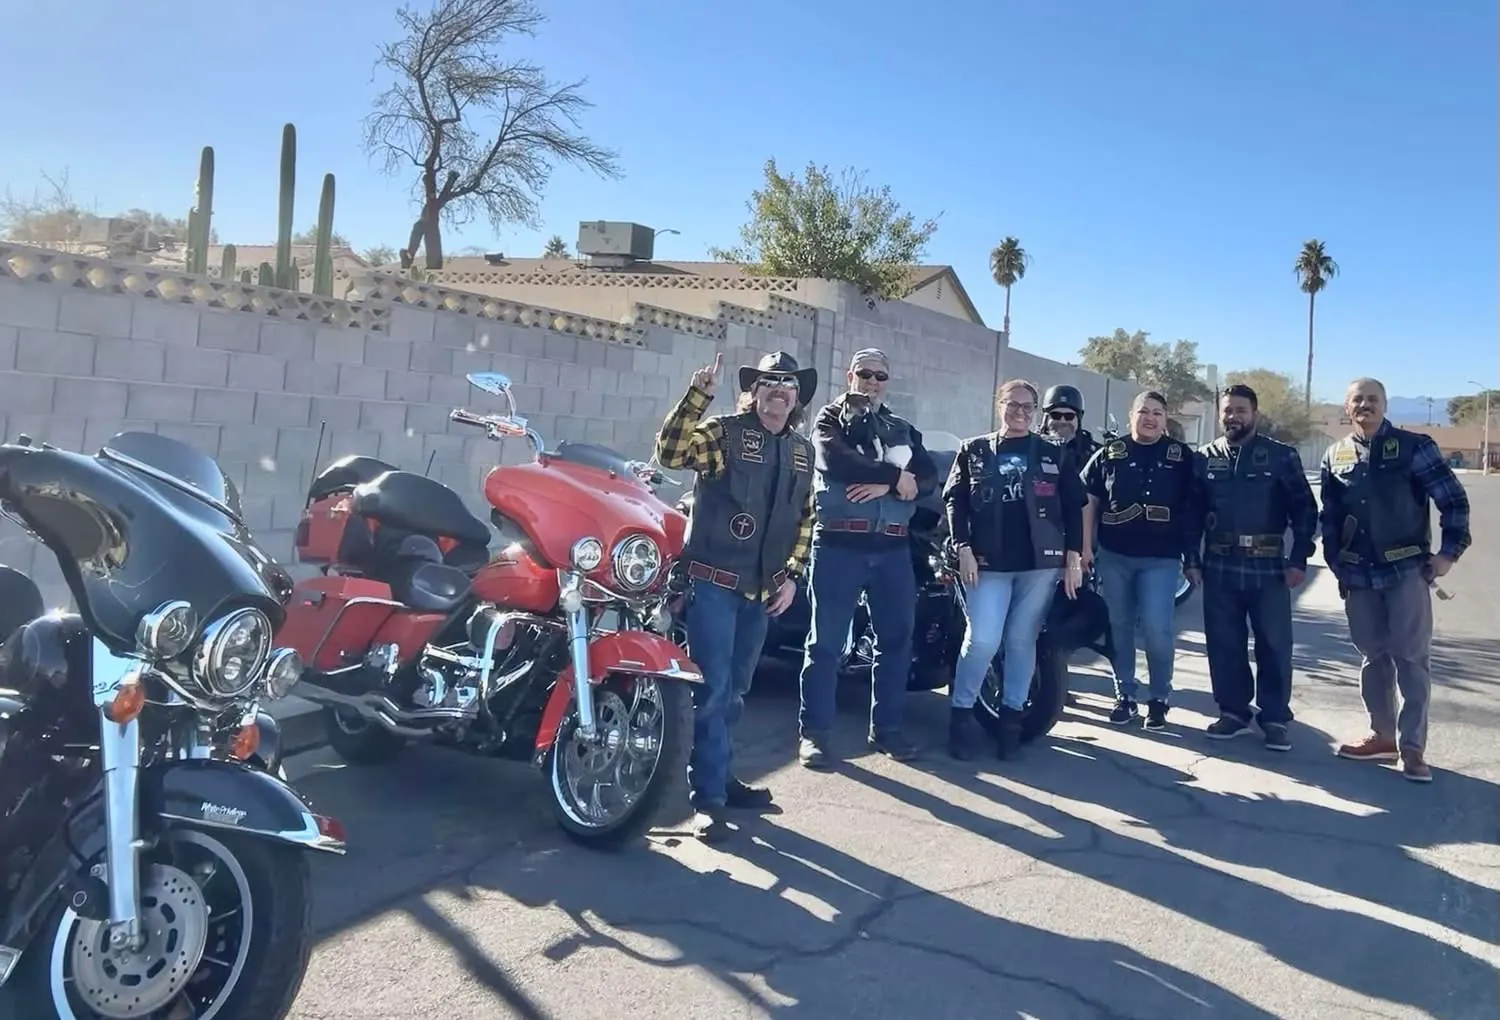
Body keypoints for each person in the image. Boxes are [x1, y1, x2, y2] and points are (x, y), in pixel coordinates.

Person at [655, 350, 817, 841]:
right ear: (754, 392)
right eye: (769, 382)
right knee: (712, 692)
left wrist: (792, 576)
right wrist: (697, 396)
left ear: (797, 397)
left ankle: (723, 780)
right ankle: (707, 800)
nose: (778, 391)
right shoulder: (723, 434)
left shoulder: (802, 450)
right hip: (713, 585)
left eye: (788, 385)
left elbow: (806, 518)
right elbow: (671, 454)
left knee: (736, 694)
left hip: (762, 593)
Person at [1320, 377, 1470, 783]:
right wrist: (1336, 563)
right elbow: (1330, 516)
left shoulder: (1414, 447)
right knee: (1373, 657)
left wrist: (1448, 554)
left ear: (1385, 406)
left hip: (1405, 571)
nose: (1364, 405)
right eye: (1357, 399)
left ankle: (1413, 748)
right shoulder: (1336, 454)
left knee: (1411, 658)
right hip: (1358, 574)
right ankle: (1382, 735)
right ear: (1347, 407)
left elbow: (1453, 501)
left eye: (1373, 399)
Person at [797, 348, 940, 769]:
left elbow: (929, 477)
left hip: (892, 547)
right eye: (865, 374)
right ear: (850, 376)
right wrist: (895, 478)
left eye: (880, 376)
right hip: (840, 544)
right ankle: (814, 734)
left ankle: (888, 729)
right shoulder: (829, 419)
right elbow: (835, 461)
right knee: (825, 645)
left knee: (895, 641)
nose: (873, 382)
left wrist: (890, 486)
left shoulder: (902, 428)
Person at [944, 379, 1086, 759]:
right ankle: (961, 715)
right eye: (1013, 404)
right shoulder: (973, 450)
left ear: (1036, 412)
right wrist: (962, 548)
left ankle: (1011, 721)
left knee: (1022, 641)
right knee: (983, 640)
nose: (1020, 412)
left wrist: (1074, 557)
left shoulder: (1054, 453)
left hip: (1039, 566)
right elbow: (955, 500)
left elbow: (1074, 507)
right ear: (999, 405)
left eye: (1028, 406)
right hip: (987, 563)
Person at [1194, 384, 1318, 751]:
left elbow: (1305, 510)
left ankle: (1275, 717)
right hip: (1220, 566)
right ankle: (1233, 712)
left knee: (1274, 644)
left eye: (1241, 410)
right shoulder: (1204, 458)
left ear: (1255, 414)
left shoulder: (1281, 456)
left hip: (1269, 567)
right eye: (1228, 410)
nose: (1233, 416)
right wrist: (1191, 559)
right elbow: (1190, 513)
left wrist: (1299, 558)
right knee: (1224, 644)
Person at [1081, 390, 1202, 730]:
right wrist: (1086, 547)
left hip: (1160, 558)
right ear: (1131, 416)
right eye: (1144, 412)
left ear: (1165, 419)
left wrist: (1192, 557)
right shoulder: (1108, 454)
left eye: (1157, 413)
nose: (1150, 418)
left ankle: (1159, 698)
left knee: (1156, 629)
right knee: (1118, 627)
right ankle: (1125, 696)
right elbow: (1089, 499)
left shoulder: (1182, 457)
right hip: (1114, 556)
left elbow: (1194, 508)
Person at [1040, 383, 1102, 466]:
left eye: (1069, 416)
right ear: (1046, 418)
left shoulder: (1096, 455)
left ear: (1078, 419)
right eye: (1056, 415)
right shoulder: (1032, 447)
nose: (1062, 421)